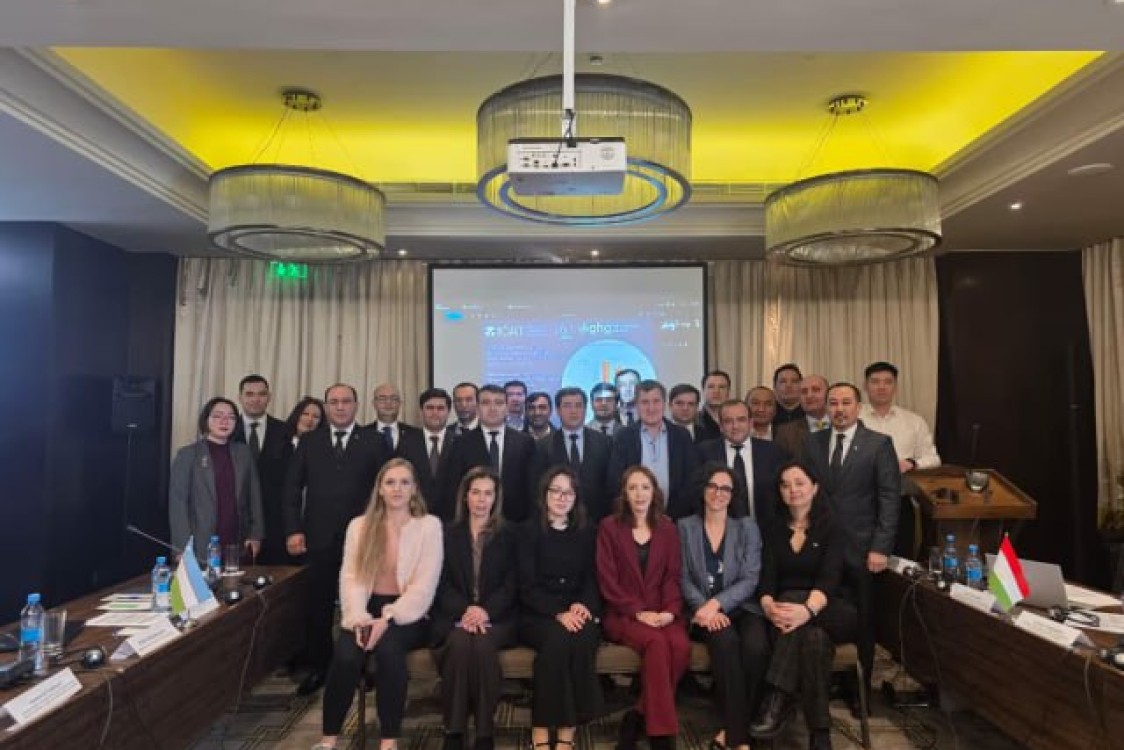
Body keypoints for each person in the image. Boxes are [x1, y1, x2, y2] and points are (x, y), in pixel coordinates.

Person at [312, 458, 443, 750]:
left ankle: (388, 741)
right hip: (364, 609)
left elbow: (424, 587)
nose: (397, 489)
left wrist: (389, 618)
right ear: (380, 489)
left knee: (389, 651)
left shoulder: (429, 526)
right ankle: (328, 740)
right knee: (346, 656)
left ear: (414, 489)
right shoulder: (359, 527)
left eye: (405, 482)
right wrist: (359, 617)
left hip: (410, 614)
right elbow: (351, 578)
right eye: (390, 482)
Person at [284, 383, 389, 695]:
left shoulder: (373, 440)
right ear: (327, 406)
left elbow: (386, 489)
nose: (340, 407)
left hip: (364, 538)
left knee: (362, 604)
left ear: (356, 405)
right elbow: (292, 488)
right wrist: (293, 529)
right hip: (318, 538)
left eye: (346, 401)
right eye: (334, 402)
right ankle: (320, 667)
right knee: (318, 605)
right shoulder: (310, 441)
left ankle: (360, 667)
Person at [748, 461, 857, 750]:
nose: (792, 490)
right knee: (814, 641)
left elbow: (830, 579)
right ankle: (820, 733)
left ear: (815, 488)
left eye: (799, 483)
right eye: (785, 484)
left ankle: (776, 696)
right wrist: (768, 605)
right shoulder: (772, 528)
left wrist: (806, 610)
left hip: (829, 610)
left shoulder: (832, 527)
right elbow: (767, 579)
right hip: (785, 617)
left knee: (795, 602)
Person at [805, 383, 899, 711]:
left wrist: (881, 548)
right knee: (825, 615)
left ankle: (860, 692)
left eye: (846, 403)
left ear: (859, 407)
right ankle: (827, 680)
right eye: (833, 403)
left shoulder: (879, 444)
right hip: (821, 549)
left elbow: (889, 499)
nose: (839, 409)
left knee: (864, 620)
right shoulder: (813, 442)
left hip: (863, 551)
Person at [597, 465, 690, 750]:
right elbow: (607, 581)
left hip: (661, 612)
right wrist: (638, 612)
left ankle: (637, 714)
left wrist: (669, 612)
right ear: (624, 493)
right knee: (657, 643)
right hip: (624, 614)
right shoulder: (609, 527)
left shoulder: (668, 529)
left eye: (645, 487)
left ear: (654, 493)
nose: (639, 494)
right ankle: (661, 735)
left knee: (681, 646)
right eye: (633, 487)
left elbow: (672, 577)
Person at [679, 463, 766, 750]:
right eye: (713, 486)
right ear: (703, 489)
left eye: (726, 488)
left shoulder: (747, 527)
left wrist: (718, 603)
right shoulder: (685, 527)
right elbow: (681, 577)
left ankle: (732, 732)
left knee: (756, 647)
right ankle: (742, 737)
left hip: (743, 607)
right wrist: (704, 607)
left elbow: (750, 578)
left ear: (733, 494)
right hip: (703, 612)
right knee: (726, 642)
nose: (719, 493)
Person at [431, 467, 517, 750]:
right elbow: (440, 583)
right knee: (458, 642)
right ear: (465, 497)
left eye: (488, 493)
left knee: (481, 643)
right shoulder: (446, 533)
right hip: (456, 616)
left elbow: (512, 584)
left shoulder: (509, 534)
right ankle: (454, 730)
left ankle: (484, 732)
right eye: (476, 493)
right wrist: (467, 610)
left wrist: (485, 611)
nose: (481, 500)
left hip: (498, 618)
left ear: (496, 498)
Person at [518, 466, 603, 750]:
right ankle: (542, 727)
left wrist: (582, 604)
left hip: (577, 611)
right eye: (555, 491)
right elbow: (527, 586)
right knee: (557, 640)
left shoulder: (588, 531)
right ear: (544, 495)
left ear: (576, 497)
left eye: (568, 492)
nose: (561, 497)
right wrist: (559, 612)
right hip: (539, 614)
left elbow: (593, 578)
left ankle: (568, 730)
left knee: (583, 636)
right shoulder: (528, 531)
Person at [169, 397, 264, 563]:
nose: (224, 421)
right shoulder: (188, 455)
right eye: (218, 416)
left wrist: (256, 535)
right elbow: (178, 504)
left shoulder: (244, 453)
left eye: (231, 417)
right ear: (206, 420)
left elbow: (254, 496)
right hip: (200, 541)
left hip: (237, 540)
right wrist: (182, 546)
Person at [445, 384, 537, 523]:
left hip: (516, 523)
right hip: (474, 521)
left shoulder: (525, 442)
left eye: (498, 403)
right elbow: (454, 488)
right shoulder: (461, 443)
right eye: (486, 403)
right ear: (477, 407)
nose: (492, 408)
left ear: (506, 407)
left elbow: (531, 489)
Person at [609, 380, 700, 519]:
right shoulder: (624, 437)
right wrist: (636, 514)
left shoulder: (682, 435)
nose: (651, 408)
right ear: (636, 405)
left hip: (675, 519)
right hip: (634, 519)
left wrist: (672, 516)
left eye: (656, 401)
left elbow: (691, 479)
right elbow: (616, 481)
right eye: (644, 402)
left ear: (664, 404)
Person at [697, 399, 786, 527]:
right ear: (721, 426)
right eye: (728, 421)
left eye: (741, 420)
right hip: (719, 529)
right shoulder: (704, 452)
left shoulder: (773, 451)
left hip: (766, 529)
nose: (735, 426)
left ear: (751, 423)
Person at [233, 375, 291, 564]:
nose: (255, 399)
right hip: (235, 521)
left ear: (269, 397)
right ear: (240, 397)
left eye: (261, 394)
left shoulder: (285, 431)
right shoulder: (227, 430)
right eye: (249, 394)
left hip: (276, 523)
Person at [535, 386, 615, 522]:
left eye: (578, 405)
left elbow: (610, 485)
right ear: (558, 410)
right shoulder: (543, 446)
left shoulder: (605, 443)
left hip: (597, 520)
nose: (574, 411)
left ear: (585, 409)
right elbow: (539, 489)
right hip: (557, 521)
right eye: (567, 406)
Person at [860, 362, 940, 473]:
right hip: (860, 481)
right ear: (865, 386)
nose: (881, 387)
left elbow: (933, 459)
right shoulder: (853, 419)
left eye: (888, 382)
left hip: (902, 480)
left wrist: (911, 463)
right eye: (875, 382)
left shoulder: (914, 421)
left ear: (895, 387)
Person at [397, 388, 458, 520]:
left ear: (448, 412)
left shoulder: (460, 443)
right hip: (414, 515)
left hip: (452, 519)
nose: (435, 412)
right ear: (421, 411)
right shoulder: (406, 443)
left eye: (440, 408)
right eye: (430, 408)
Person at [774, 374, 829, 460]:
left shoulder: (843, 425)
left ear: (828, 394)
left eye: (816, 390)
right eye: (804, 392)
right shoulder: (786, 433)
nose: (809, 395)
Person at [370, 383, 418, 453]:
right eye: (382, 399)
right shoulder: (361, 435)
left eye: (393, 399)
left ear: (400, 403)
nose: (388, 402)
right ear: (374, 404)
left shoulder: (416, 435)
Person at [699, 370, 732, 437]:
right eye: (711, 387)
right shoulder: (693, 422)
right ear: (703, 391)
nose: (716, 391)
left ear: (728, 392)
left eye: (722, 387)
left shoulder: (737, 421)